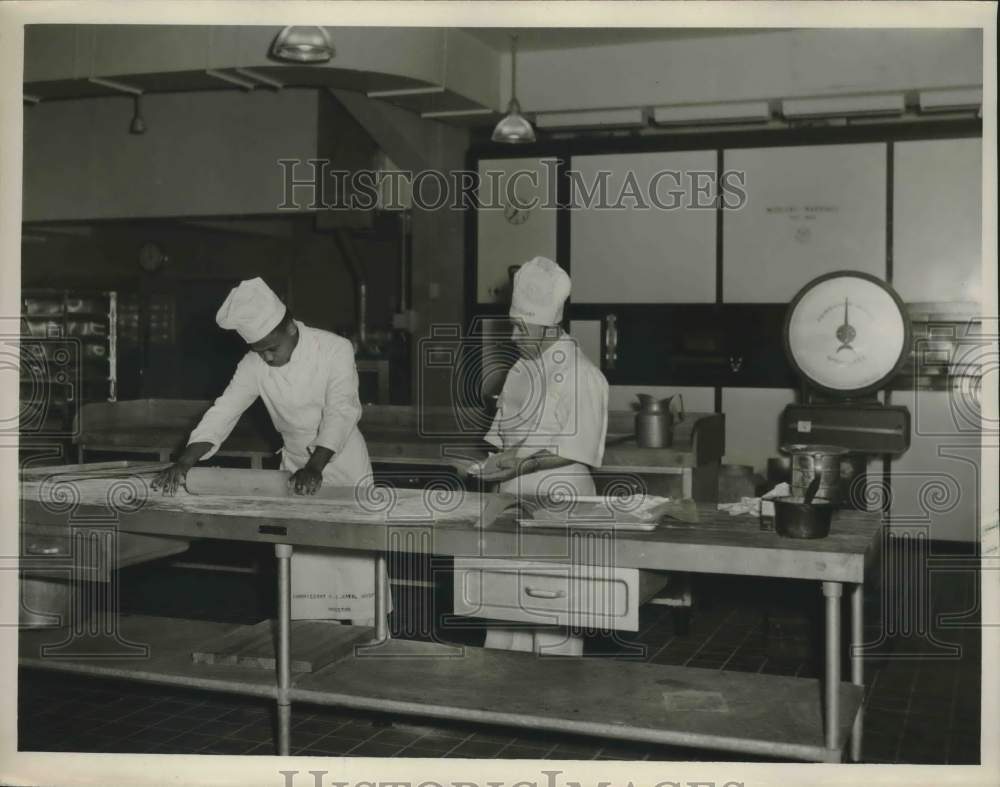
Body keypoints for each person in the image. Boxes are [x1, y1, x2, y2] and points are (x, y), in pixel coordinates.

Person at [152, 277, 385, 627]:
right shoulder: (253, 365)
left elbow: (342, 410)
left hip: (342, 462)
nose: (267, 357)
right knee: (307, 566)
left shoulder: (334, 348)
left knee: (356, 561)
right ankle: (311, 642)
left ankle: (371, 638)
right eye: (259, 350)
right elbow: (224, 410)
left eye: (271, 348)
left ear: (291, 327)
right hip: (295, 467)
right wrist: (184, 462)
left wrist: (316, 465)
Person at [470, 256, 609, 654]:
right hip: (514, 501)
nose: (513, 337)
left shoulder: (583, 374)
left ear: (548, 324)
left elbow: (578, 448)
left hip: (561, 502)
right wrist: (493, 467)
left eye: (519, 326)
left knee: (551, 617)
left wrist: (519, 464)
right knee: (504, 611)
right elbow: (504, 439)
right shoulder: (520, 370)